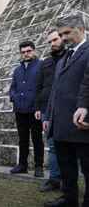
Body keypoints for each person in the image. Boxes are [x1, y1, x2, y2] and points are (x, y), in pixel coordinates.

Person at [43, 14, 89, 207]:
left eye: (66, 33)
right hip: (61, 124)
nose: (63, 38)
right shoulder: (64, 57)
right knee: (66, 167)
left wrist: (85, 107)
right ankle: (69, 199)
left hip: (81, 123)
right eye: (61, 34)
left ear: (81, 29)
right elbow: (56, 90)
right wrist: (48, 116)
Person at [35, 29, 66, 192]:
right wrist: (38, 108)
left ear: (62, 38)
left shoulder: (71, 57)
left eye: (55, 40)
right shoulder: (45, 62)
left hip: (66, 108)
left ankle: (68, 181)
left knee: (68, 146)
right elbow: (39, 86)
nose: (52, 44)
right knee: (52, 145)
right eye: (50, 42)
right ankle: (54, 180)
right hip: (47, 109)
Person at [9, 41, 44, 177]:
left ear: (34, 51)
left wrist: (39, 107)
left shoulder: (41, 66)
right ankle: (22, 165)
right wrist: (14, 98)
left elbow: (43, 87)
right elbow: (13, 88)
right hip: (20, 110)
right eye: (23, 52)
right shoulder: (17, 70)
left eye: (28, 51)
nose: (26, 54)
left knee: (37, 139)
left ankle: (39, 167)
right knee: (22, 139)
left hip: (35, 110)